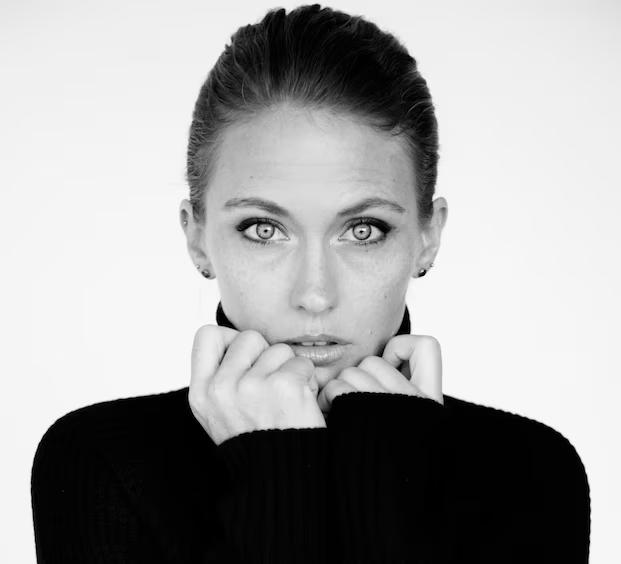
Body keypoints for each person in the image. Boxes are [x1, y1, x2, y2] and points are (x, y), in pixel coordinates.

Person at [31, 4, 591, 563]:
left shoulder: (531, 472)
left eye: (364, 229)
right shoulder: (102, 462)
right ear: (198, 237)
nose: (316, 294)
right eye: (265, 229)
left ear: (427, 237)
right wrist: (276, 468)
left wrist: (387, 479)